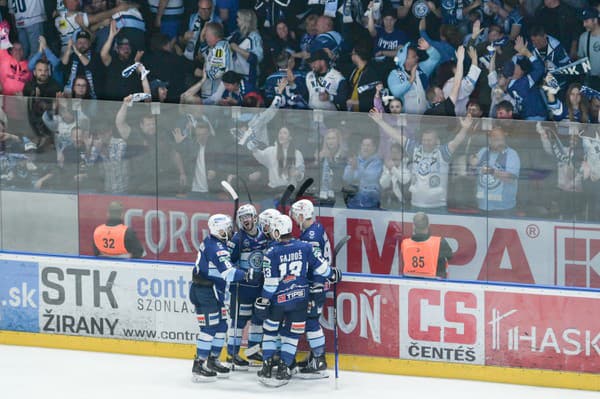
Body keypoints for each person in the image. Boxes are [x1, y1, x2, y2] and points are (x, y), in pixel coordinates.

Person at [254, 214, 340, 387]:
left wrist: (263, 300)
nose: (271, 232)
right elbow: (322, 267)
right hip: (300, 300)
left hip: (278, 302)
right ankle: (285, 367)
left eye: (273, 230)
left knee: (270, 332)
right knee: (293, 335)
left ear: (278, 231)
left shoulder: (271, 252)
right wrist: (333, 274)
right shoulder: (305, 247)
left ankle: (267, 366)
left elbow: (270, 284)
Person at [190, 213, 255, 382]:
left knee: (221, 326)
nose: (231, 231)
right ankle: (199, 365)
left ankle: (213, 360)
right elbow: (229, 272)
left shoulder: (214, 242)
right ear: (220, 230)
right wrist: (246, 274)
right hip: (206, 292)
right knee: (210, 328)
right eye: (228, 229)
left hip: (212, 292)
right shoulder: (216, 248)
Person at [289, 199, 332, 378]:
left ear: (301, 215)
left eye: (294, 215)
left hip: (315, 285)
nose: (293, 219)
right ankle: (314, 355)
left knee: (311, 321)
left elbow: (314, 264)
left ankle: (319, 360)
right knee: (309, 321)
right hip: (317, 283)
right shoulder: (316, 228)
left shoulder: (310, 237)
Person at [226, 204, 268, 369]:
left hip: (260, 287)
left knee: (258, 319)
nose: (245, 220)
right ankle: (233, 354)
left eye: (247, 216)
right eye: (242, 218)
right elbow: (228, 263)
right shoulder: (238, 239)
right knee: (239, 321)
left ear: (255, 217)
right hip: (241, 289)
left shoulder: (264, 236)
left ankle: (253, 350)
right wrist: (242, 272)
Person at [401, 212, 453, 279]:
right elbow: (450, 256)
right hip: (434, 283)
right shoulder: (439, 242)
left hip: (409, 281)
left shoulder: (405, 243)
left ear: (413, 226)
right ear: (428, 225)